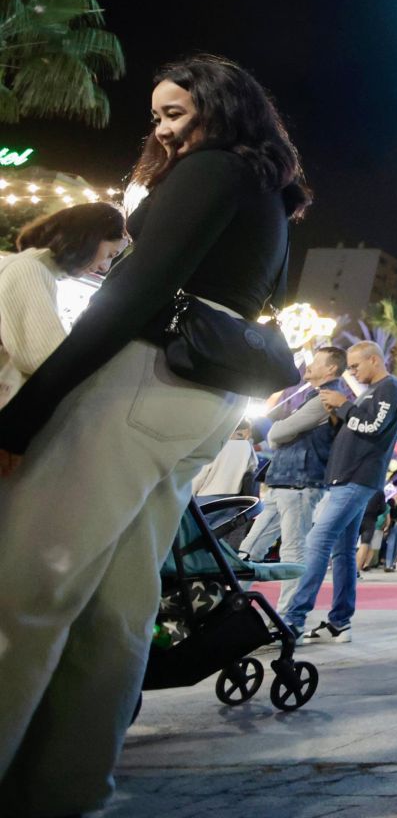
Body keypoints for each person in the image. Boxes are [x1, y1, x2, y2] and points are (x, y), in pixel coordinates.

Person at [0, 56, 307, 816]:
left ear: (221, 107)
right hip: (204, 399)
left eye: (177, 113)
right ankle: (67, 787)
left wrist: (28, 411)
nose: (164, 130)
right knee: (117, 605)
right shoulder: (269, 191)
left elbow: (135, 292)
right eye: (158, 117)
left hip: (142, 381)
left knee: (25, 588)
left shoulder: (213, 168)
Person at [279, 342, 397, 643]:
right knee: (343, 551)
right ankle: (339, 622)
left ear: (374, 360)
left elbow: (373, 426)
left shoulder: (389, 388)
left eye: (355, 366)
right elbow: (358, 428)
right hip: (348, 479)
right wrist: (340, 414)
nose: (352, 372)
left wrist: (343, 405)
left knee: (318, 540)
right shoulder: (372, 392)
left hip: (356, 479)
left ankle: (294, 620)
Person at [0, 202, 127, 407]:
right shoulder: (29, 270)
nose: (105, 267)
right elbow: (47, 359)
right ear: (90, 237)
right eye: (110, 255)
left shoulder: (29, 267)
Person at [241, 347, 350, 564]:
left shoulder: (325, 399)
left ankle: (295, 591)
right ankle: (238, 586)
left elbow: (277, 433)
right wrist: (280, 433)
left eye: (316, 361)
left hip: (299, 483)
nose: (309, 365)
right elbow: (280, 433)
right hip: (287, 481)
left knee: (292, 551)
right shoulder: (316, 397)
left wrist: (278, 433)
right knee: (249, 549)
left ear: (331, 368)